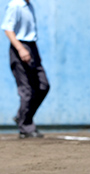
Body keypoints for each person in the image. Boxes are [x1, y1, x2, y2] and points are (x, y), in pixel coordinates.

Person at [1, 0, 49, 139]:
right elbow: (8, 29)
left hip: (32, 46)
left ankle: (22, 116)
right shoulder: (15, 5)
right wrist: (21, 48)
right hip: (20, 48)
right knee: (26, 90)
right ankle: (25, 127)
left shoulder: (29, 5)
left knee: (43, 85)